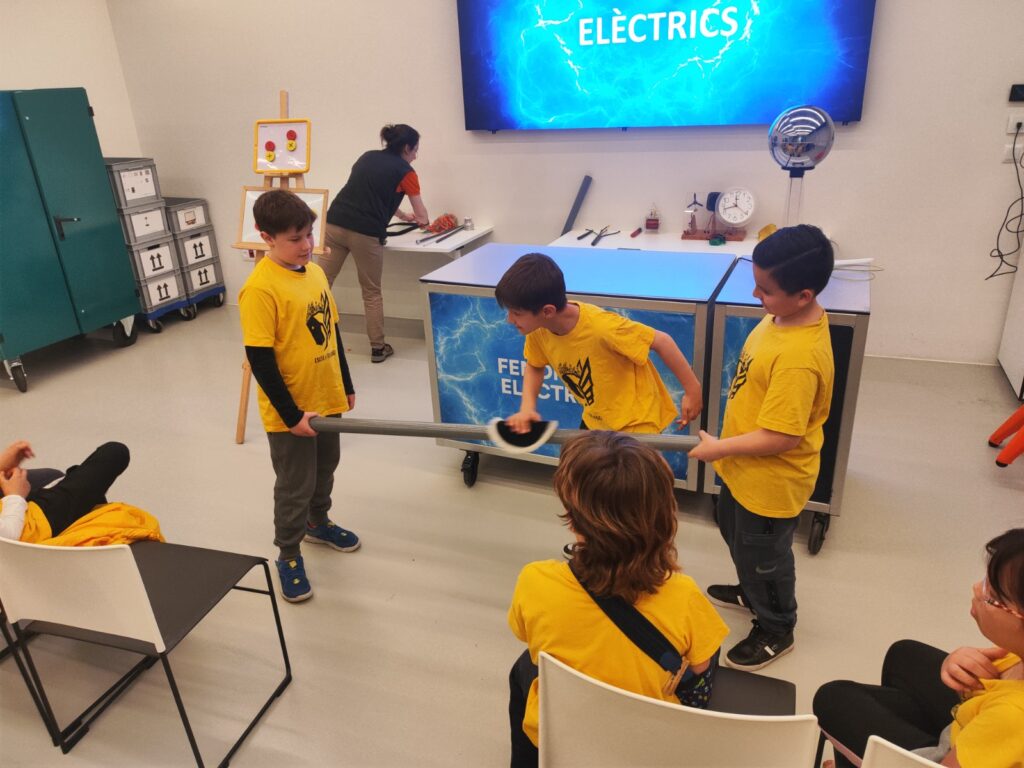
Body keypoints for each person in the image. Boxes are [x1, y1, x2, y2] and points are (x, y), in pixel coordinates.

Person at [507, 431, 729, 767]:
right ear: (664, 518)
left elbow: (525, 635)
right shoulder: (685, 596)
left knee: (524, 666)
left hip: (566, 733)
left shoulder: (535, 579)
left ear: (572, 518)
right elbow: (699, 669)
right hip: (646, 745)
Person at [688, 224, 835, 670]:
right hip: (743, 467)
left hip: (770, 483)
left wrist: (719, 449)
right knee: (737, 537)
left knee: (765, 558)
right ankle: (752, 590)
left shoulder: (799, 359)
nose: (756, 295)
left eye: (766, 290)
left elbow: (783, 437)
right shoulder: (783, 318)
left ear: (803, 295)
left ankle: (776, 627)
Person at [813, 528, 1024, 767]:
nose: (977, 588)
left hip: (951, 753)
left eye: (992, 596)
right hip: (974, 729)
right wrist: (957, 666)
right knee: (904, 655)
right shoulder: (1016, 657)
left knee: (833, 700)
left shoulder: (1012, 718)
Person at [239, 189, 359, 604]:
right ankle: (288, 552)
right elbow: (260, 359)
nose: (307, 245)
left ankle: (317, 522)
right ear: (266, 237)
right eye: (295, 238)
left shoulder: (316, 273)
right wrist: (291, 415)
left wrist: (345, 383)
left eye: (309, 234)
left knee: (326, 467)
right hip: (290, 411)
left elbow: (333, 330)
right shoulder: (260, 289)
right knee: (295, 484)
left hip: (326, 396)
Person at [495, 252, 703, 435]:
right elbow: (534, 365)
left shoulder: (602, 327)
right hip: (597, 418)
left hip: (636, 421)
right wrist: (527, 408)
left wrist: (693, 391)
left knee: (636, 469)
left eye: (516, 313)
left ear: (547, 311)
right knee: (579, 466)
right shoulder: (539, 329)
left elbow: (662, 341)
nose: (510, 320)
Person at [318, 123, 430, 363]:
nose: (416, 156)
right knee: (371, 292)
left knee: (319, 284)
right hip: (365, 234)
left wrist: (401, 215)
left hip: (334, 224)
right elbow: (422, 215)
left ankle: (310, 340)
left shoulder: (367, 157)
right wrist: (423, 221)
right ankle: (378, 348)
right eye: (415, 150)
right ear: (407, 148)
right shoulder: (407, 172)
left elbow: (370, 191)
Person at [0, 440, 163, 545]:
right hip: (33, 526)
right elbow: (9, 536)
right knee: (115, 452)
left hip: (16, 513)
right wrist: (15, 495)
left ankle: (79, 492)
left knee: (61, 478)